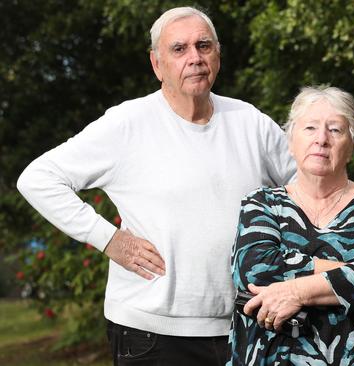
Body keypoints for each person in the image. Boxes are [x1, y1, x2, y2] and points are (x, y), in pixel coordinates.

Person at [16, 6, 295, 365]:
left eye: (204, 46)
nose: (194, 58)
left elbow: (307, 191)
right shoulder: (127, 123)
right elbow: (38, 179)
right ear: (156, 64)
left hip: (246, 325)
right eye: (179, 49)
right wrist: (109, 239)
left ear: (218, 55)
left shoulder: (250, 122)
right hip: (150, 334)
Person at [229, 86, 354, 365]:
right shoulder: (262, 203)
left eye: (335, 130)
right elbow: (255, 269)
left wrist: (296, 291)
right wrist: (353, 271)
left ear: (352, 146)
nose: (322, 140)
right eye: (310, 128)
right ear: (290, 142)